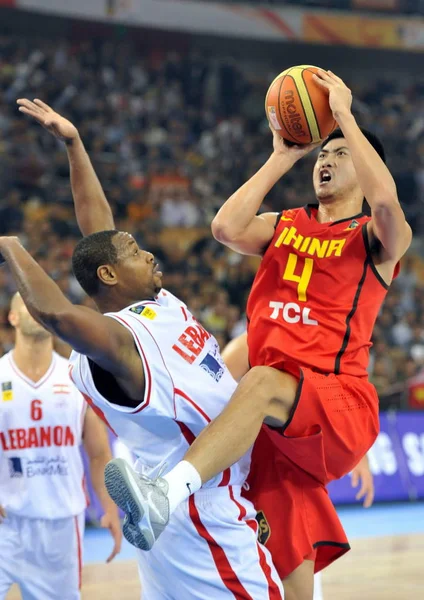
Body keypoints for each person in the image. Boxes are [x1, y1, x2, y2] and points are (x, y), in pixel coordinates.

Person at [87, 69, 411, 600]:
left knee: (257, 382)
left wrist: (346, 117)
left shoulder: (374, 238)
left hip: (335, 401)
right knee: (279, 532)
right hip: (282, 418)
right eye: (322, 155)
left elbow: (388, 208)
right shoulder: (285, 224)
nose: (326, 161)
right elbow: (224, 228)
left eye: (340, 154)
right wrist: (284, 156)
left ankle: (162, 496)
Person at [13, 98, 284, 599]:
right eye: (135, 252)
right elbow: (56, 313)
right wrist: (9, 241)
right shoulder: (118, 340)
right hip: (199, 507)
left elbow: (99, 231)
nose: (149, 252)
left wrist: (75, 145)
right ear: (111, 276)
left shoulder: (155, 305)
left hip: (171, 505)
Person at [221, 332, 375, 600]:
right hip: (266, 473)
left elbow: (339, 400)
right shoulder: (256, 341)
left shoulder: (326, 340)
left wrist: (360, 454)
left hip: (293, 474)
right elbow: (215, 396)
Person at [0, 293, 122, 600]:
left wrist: (109, 507)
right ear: (12, 318)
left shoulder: (75, 375)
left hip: (61, 526)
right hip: (6, 524)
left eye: (40, 303)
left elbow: (99, 453)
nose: (36, 308)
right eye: (26, 305)